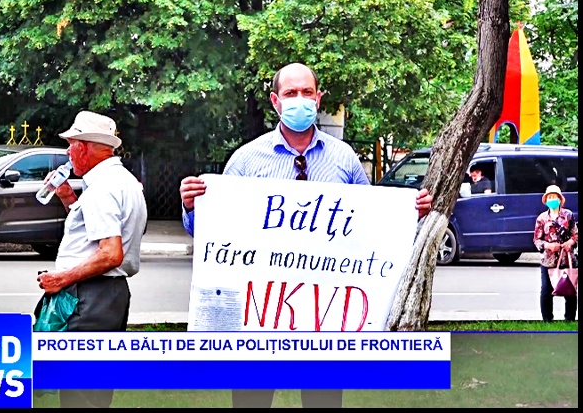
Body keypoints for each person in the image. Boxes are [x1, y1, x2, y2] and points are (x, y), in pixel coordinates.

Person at [179, 62, 433, 408]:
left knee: (323, 401)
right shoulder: (245, 161)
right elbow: (210, 234)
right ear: (275, 101)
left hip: (325, 317)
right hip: (260, 312)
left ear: (318, 97)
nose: (300, 100)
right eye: (290, 93)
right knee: (252, 400)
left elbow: (370, 226)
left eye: (306, 92)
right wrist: (193, 207)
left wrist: (407, 213)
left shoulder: (344, 159)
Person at [36, 110, 148, 408]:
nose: (68, 152)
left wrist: (60, 278)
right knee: (95, 390)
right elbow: (94, 233)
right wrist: (66, 198)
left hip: (90, 296)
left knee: (79, 394)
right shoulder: (122, 181)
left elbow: (111, 253)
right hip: (109, 295)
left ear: (83, 147)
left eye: (71, 145)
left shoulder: (103, 187)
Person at [533, 184, 578, 322]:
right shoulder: (541, 218)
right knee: (546, 291)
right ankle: (547, 320)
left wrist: (570, 242)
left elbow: (575, 234)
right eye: (550, 197)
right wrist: (548, 245)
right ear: (546, 200)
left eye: (555, 197)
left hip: (567, 259)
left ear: (560, 199)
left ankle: (569, 319)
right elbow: (537, 239)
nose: (552, 199)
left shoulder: (568, 215)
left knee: (569, 291)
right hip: (548, 260)